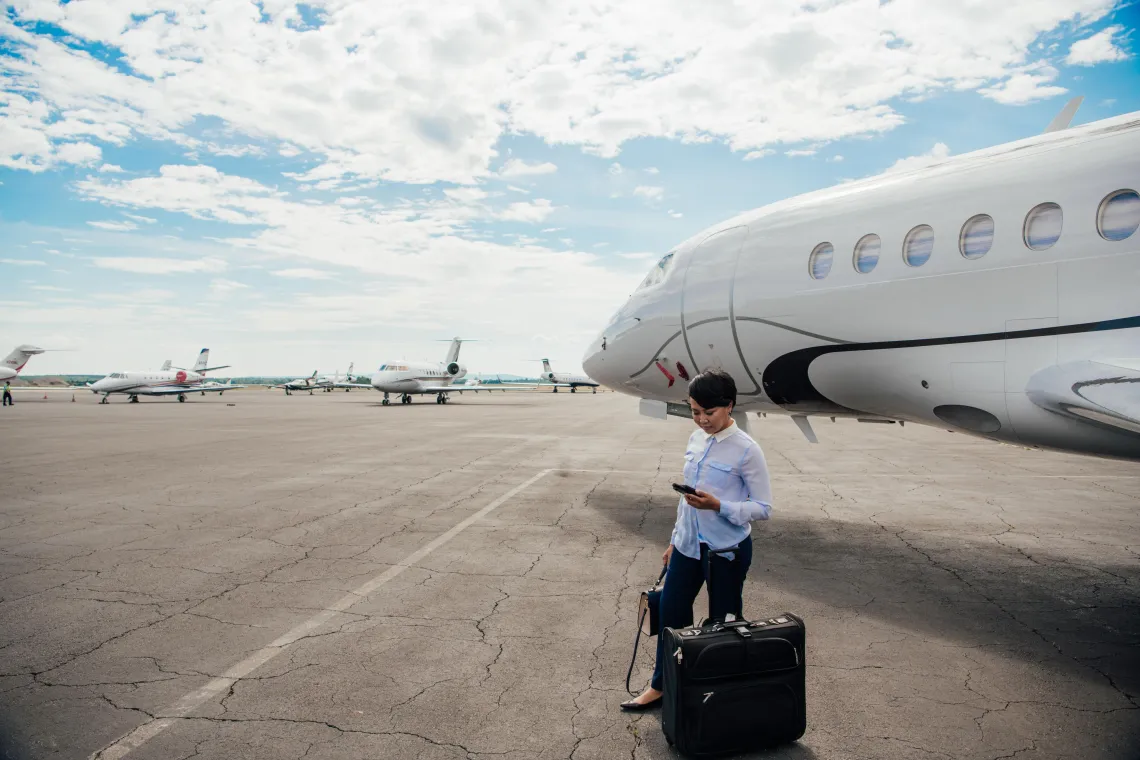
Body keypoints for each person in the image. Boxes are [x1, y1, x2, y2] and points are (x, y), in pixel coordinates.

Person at [620, 369, 772, 711]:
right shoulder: (695, 439)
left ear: (729, 406)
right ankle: (662, 685)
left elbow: (763, 508)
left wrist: (719, 505)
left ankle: (719, 695)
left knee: (722, 626)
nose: (702, 420)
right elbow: (684, 501)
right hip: (688, 547)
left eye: (709, 412)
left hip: (726, 551)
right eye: (695, 412)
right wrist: (675, 540)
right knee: (672, 615)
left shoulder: (747, 450)